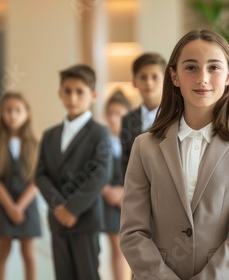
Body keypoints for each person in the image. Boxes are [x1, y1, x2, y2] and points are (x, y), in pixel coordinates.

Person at [119, 29, 229, 280]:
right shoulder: (144, 146)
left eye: (213, 68)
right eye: (191, 68)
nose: (202, 78)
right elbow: (132, 233)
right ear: (174, 76)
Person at [35, 64, 112, 280]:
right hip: (58, 218)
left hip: (85, 218)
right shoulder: (50, 135)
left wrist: (72, 208)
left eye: (80, 91)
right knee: (63, 275)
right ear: (60, 94)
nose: (73, 97)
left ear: (93, 95)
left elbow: (100, 173)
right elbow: (40, 174)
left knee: (87, 275)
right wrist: (59, 206)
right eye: (67, 91)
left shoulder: (99, 133)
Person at [0, 92, 42, 280]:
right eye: (8, 110)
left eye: (18, 110)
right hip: (3, 204)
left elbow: (37, 180)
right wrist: (10, 206)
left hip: (27, 204)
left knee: (28, 253)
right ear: (1, 113)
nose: (13, 115)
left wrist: (20, 206)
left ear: (27, 113)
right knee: (3, 251)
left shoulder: (34, 144)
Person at [101, 90, 132, 280]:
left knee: (135, 249)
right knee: (117, 248)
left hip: (134, 200)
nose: (114, 118)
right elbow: (92, 172)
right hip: (109, 202)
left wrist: (125, 193)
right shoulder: (100, 143)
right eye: (110, 113)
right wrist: (107, 191)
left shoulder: (138, 140)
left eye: (119, 114)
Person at [120, 52, 166, 178]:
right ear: (134, 82)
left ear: (166, 80)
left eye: (155, 77)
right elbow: (125, 160)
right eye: (143, 77)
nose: (149, 83)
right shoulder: (127, 119)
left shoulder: (176, 117)